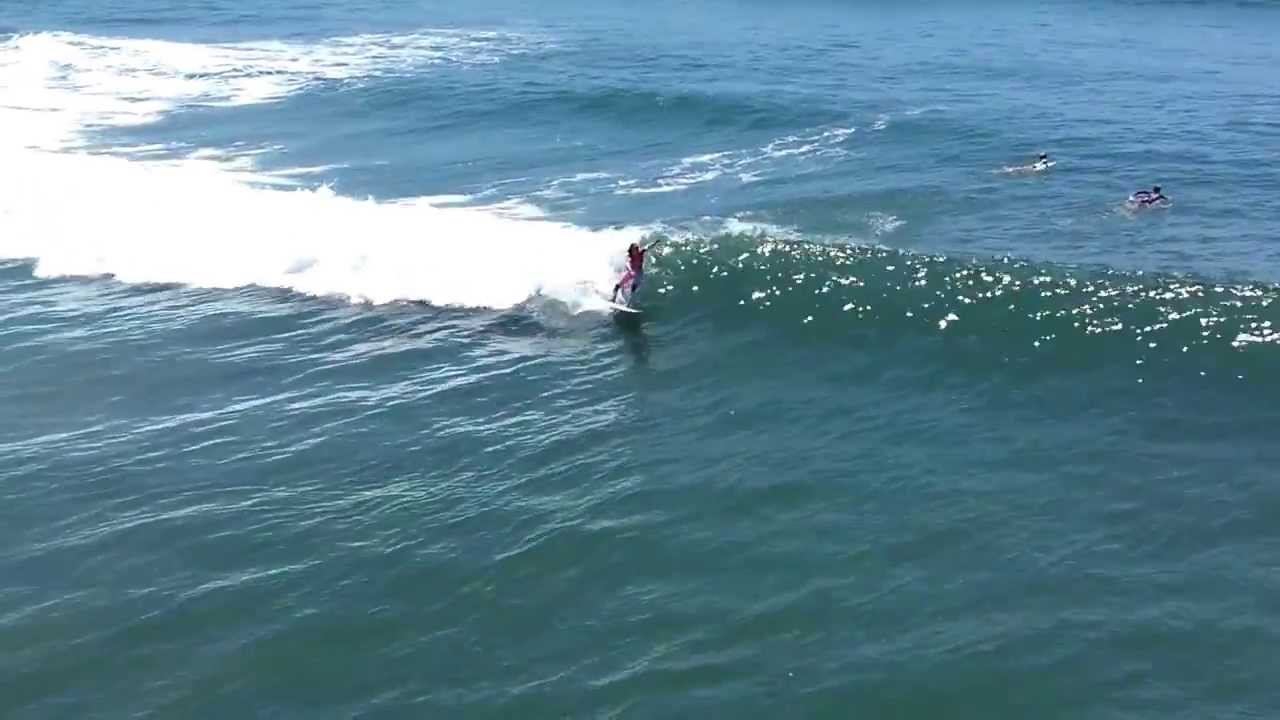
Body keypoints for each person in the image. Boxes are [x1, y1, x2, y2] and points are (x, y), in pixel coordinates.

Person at [612, 239, 664, 303]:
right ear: (631, 250)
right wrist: (630, 270)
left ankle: (628, 303)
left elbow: (648, 247)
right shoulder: (629, 256)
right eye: (635, 249)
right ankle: (613, 299)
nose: (636, 250)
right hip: (630, 272)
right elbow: (627, 263)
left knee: (633, 288)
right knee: (617, 286)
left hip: (639, 273)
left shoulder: (641, 252)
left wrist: (655, 243)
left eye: (637, 248)